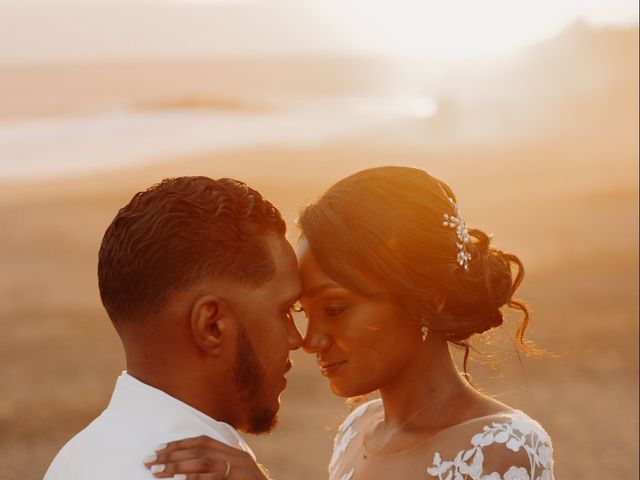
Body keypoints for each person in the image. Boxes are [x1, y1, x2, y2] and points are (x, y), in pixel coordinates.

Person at [145, 166, 554, 480]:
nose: (310, 341)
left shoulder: (503, 447)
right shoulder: (359, 429)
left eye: (336, 308)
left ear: (429, 298)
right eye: (304, 311)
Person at [44, 176, 302, 480]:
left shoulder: (75, 458)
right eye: (285, 310)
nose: (297, 338)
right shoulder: (197, 473)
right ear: (212, 326)